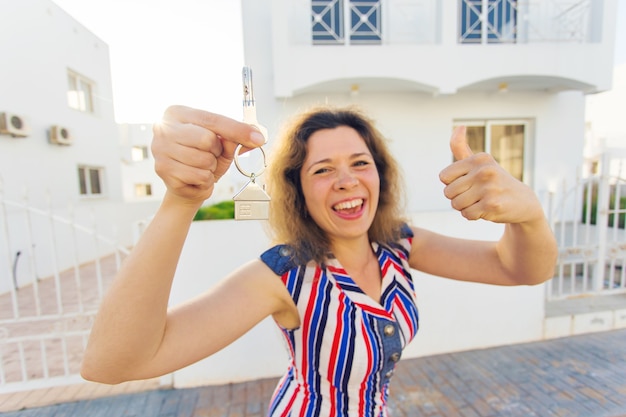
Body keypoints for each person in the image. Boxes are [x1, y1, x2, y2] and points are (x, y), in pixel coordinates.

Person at [81, 104, 558, 416]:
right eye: (323, 170)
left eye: (359, 163)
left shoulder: (399, 244)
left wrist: (529, 216)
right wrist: (181, 200)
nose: (346, 180)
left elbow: (520, 270)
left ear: (380, 174)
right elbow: (113, 362)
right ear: (298, 191)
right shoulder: (284, 274)